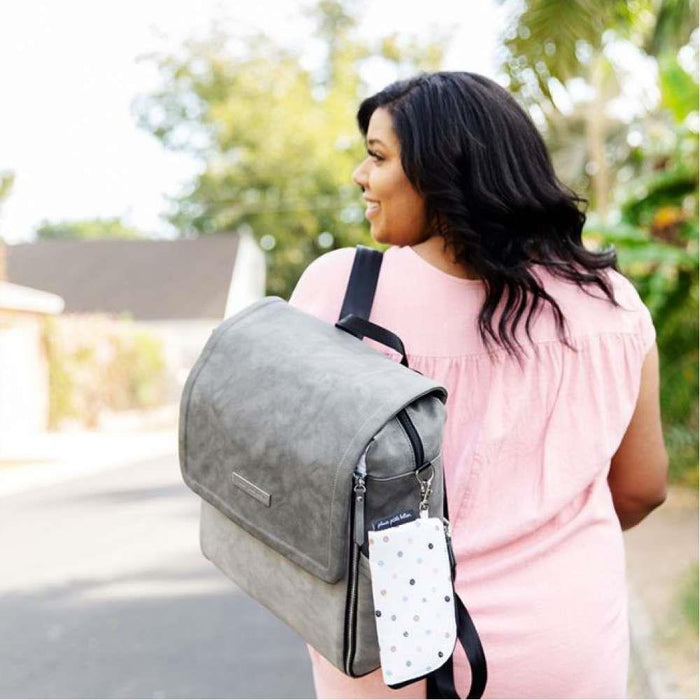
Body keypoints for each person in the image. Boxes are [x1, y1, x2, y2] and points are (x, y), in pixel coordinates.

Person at [288, 71, 668, 699]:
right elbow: (642, 488)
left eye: (378, 156)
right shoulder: (612, 306)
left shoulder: (345, 291)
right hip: (565, 652)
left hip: (393, 654)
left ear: (443, 172)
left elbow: (282, 475)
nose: (360, 174)